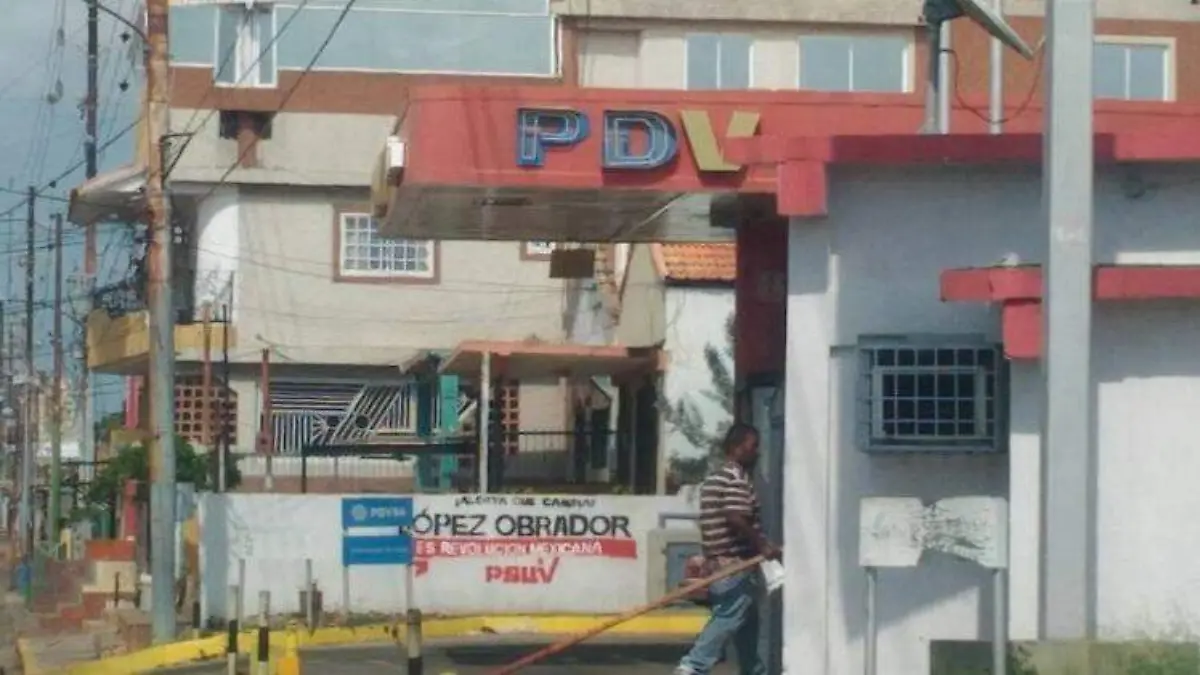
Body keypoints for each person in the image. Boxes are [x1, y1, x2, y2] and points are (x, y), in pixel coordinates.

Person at [675, 422, 780, 675]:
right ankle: (692, 666)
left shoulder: (714, 478)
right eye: (753, 446)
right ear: (737, 447)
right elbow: (735, 516)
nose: (757, 452)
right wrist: (763, 545)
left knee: (747, 626)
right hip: (734, 566)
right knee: (728, 617)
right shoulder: (735, 478)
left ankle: (754, 671)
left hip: (721, 563)